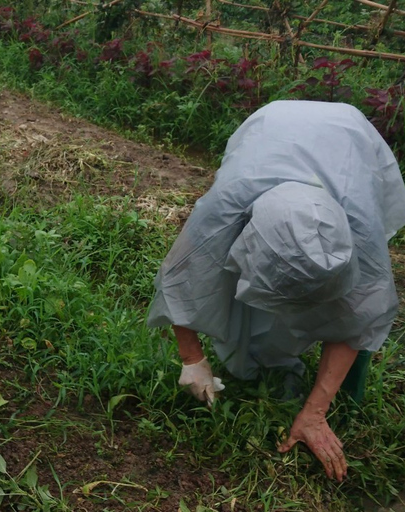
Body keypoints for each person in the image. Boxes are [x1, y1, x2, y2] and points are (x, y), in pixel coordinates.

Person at [147, 100, 405, 482]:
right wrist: (192, 359)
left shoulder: (361, 232)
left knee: (357, 306)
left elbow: (364, 310)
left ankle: (341, 394)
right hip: (271, 126)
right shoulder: (228, 206)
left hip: (351, 142)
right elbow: (182, 275)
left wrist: (315, 413)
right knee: (250, 271)